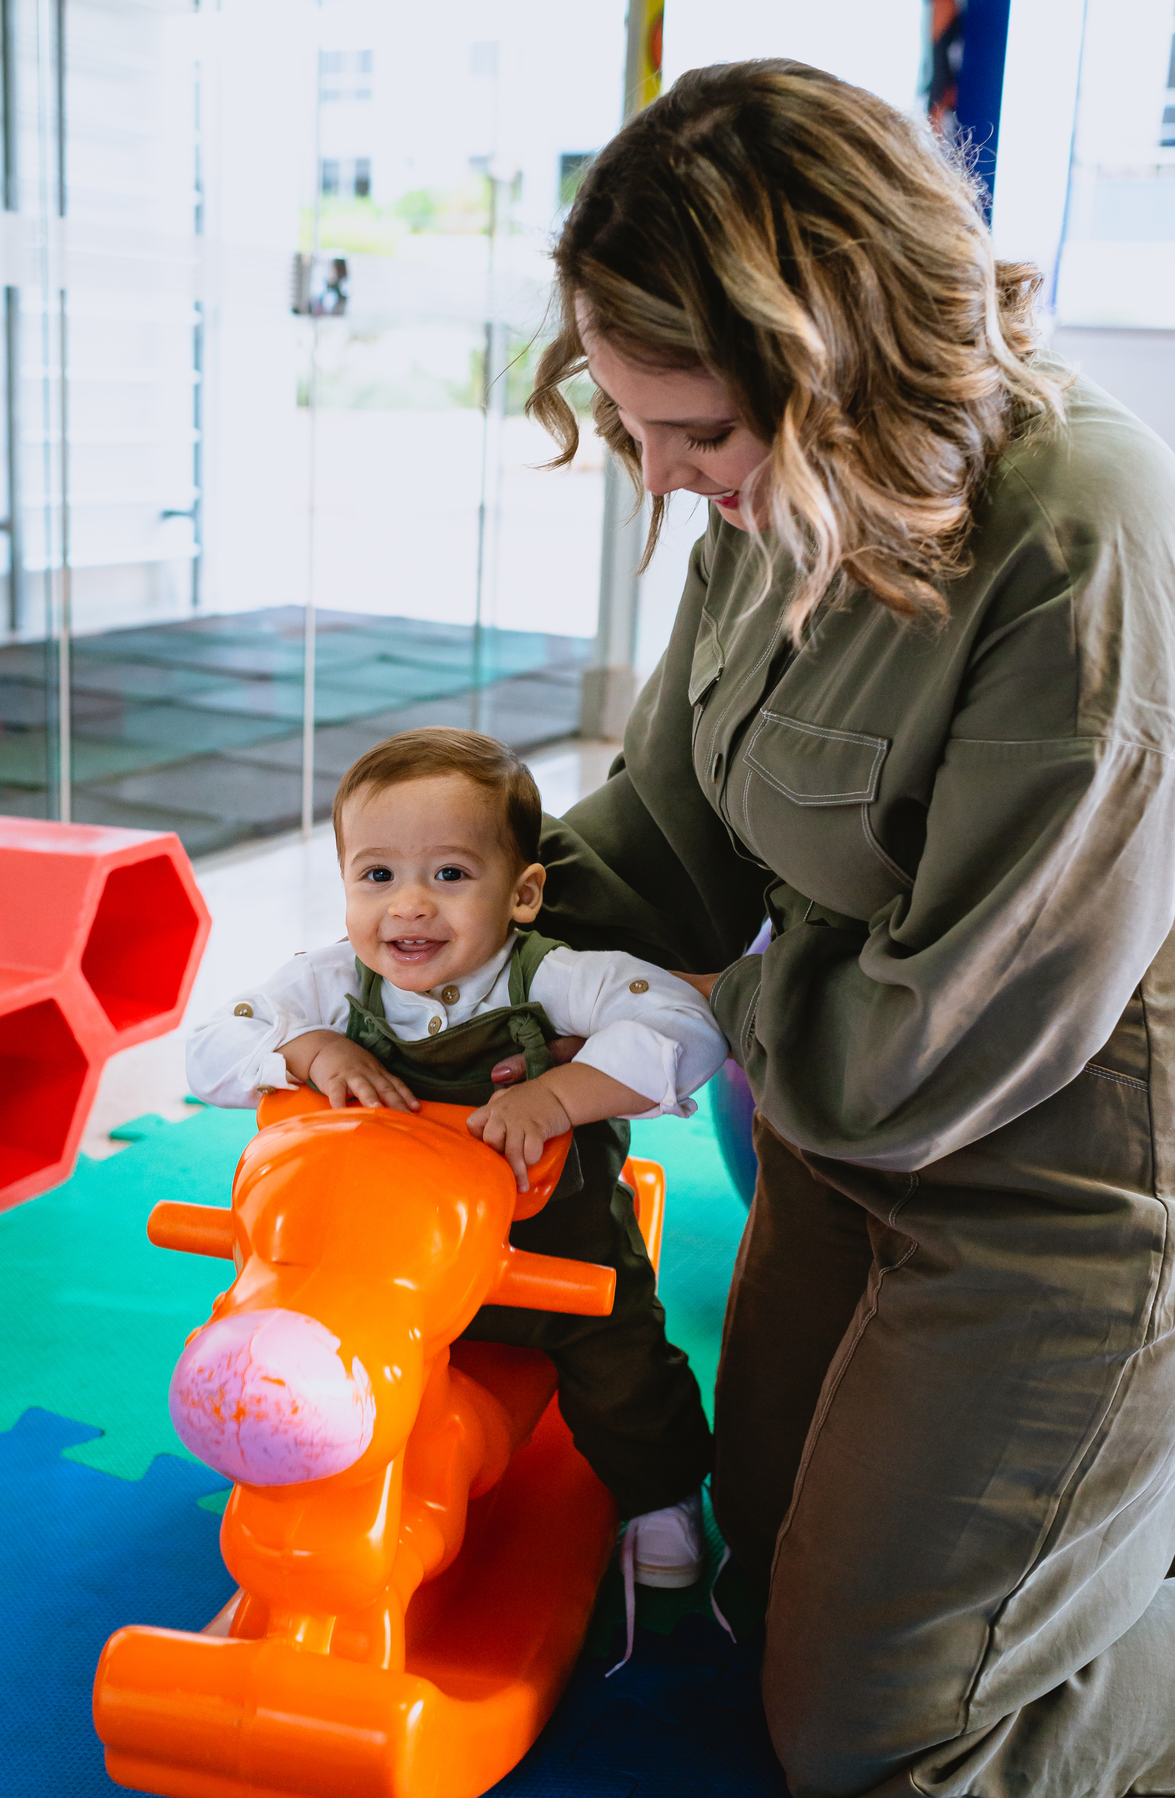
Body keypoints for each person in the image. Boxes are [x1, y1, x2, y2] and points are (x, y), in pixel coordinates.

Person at [526, 57, 1175, 1798]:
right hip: (840, 1120)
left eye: (702, 434)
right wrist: (447, 939)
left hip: (1061, 1175)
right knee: (754, 1534)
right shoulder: (769, 488)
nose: (663, 481)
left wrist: (662, 1020)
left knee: (878, 1729)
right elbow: (670, 825)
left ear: (848, 370)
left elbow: (947, 1040)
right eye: (628, 419)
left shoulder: (1085, 525)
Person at [186, 726, 725, 1593]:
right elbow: (210, 1048)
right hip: (380, 1268)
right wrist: (312, 1052)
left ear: (522, 893)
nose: (408, 906)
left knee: (618, 1352)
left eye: (449, 874)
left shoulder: (551, 977)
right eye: (377, 875)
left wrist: (558, 1094)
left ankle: (660, 1493)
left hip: (548, 1251)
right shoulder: (331, 983)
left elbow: (683, 1025)